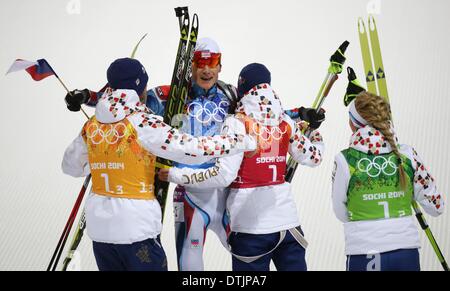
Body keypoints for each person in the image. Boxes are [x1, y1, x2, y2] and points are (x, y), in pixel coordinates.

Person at [61, 57, 256, 271]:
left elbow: (70, 167)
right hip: (136, 228)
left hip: (100, 233)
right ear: (141, 87)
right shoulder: (142, 122)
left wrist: (107, 160)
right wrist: (239, 141)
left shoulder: (91, 125)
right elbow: (192, 151)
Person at [160, 63, 325, 271]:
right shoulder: (285, 122)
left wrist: (177, 175)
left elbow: (223, 176)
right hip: (289, 225)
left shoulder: (238, 123)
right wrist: (314, 134)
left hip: (250, 230)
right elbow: (314, 157)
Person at [332, 91, 445, 271]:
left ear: (353, 124)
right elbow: (437, 207)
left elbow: (341, 212)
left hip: (365, 251)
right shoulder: (407, 155)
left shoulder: (345, 160)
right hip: (406, 253)